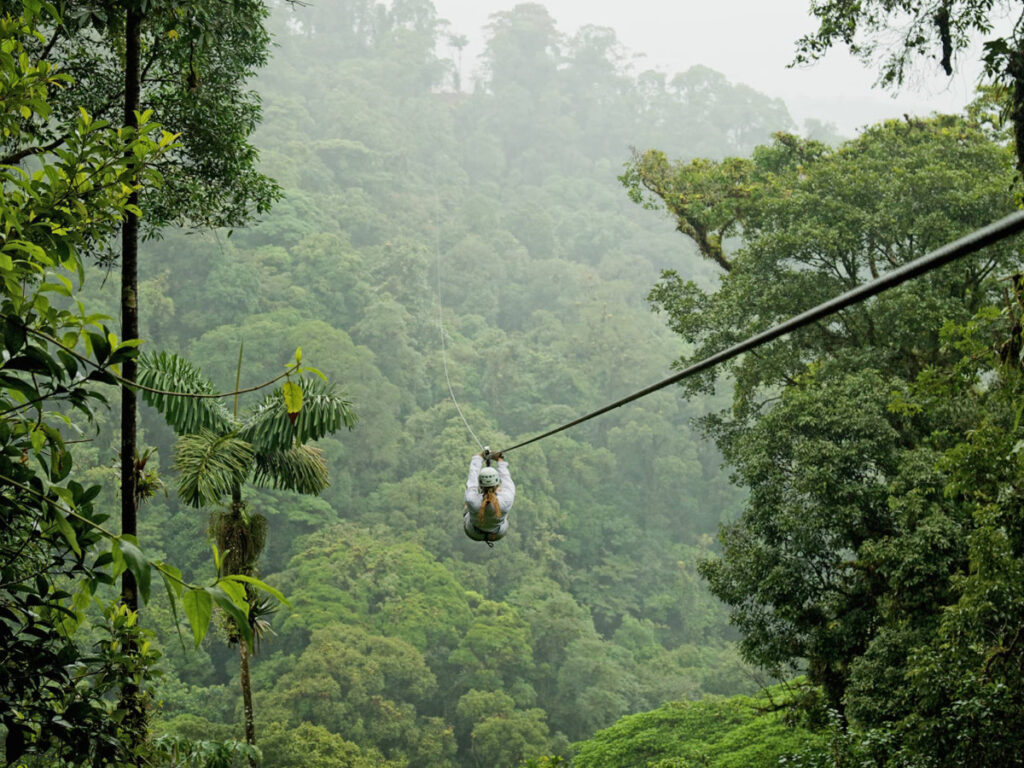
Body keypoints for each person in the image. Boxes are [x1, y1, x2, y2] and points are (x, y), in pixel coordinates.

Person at [463, 449, 515, 544]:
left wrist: (480, 457)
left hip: (473, 532)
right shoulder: (507, 499)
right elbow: (506, 478)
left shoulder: (472, 500)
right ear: (496, 484)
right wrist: (500, 460)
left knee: (467, 504)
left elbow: (472, 478)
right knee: (503, 501)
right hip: (497, 533)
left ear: (480, 486)